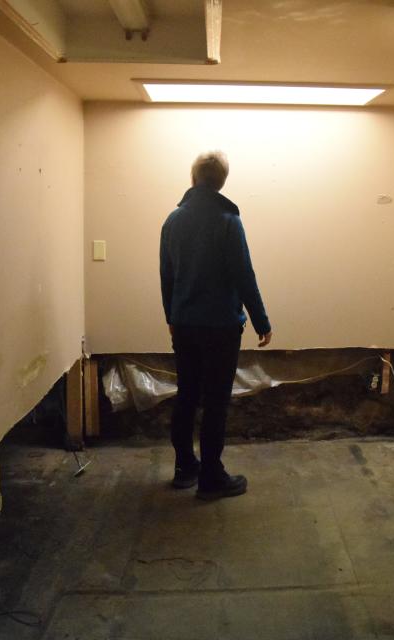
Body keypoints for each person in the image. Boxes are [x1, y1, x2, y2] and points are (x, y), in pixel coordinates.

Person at [159, 151, 272, 500]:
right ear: (222, 182)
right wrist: (261, 319)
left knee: (187, 395)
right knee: (216, 401)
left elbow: (167, 277)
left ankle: (184, 468)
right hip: (221, 326)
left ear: (193, 179)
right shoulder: (228, 221)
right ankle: (211, 477)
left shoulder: (173, 221)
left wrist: (171, 319)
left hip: (185, 324)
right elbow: (243, 274)